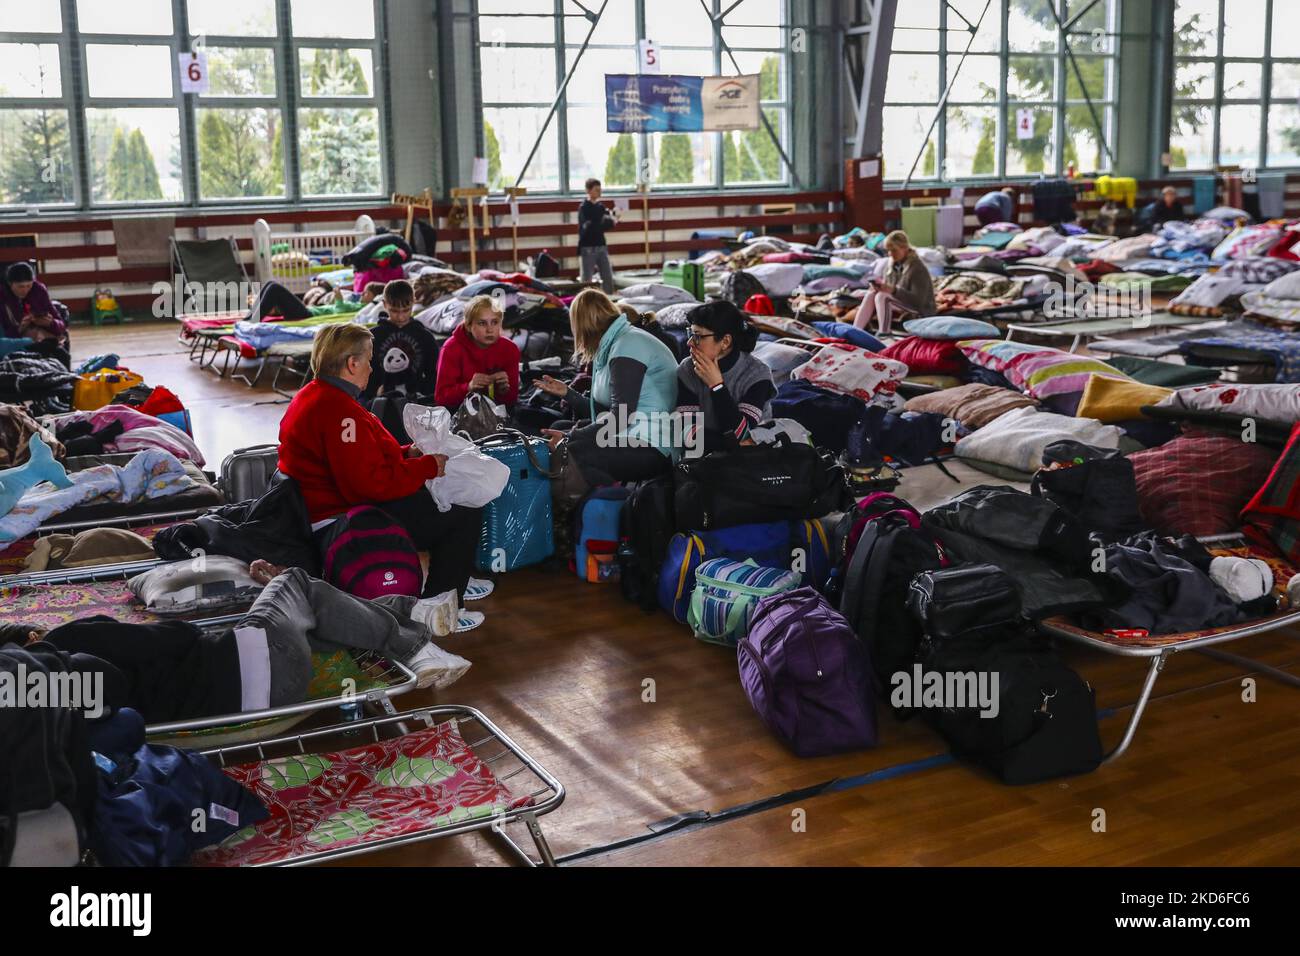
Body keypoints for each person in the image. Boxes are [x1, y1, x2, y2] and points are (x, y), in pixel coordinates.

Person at [1, 563, 468, 722]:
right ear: (33, 635)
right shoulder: (67, 642)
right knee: (297, 584)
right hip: (252, 661)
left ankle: (407, 612)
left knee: (314, 616)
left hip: (250, 698)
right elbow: (175, 634)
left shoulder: (45, 701)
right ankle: (413, 642)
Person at [276, 324, 492, 627]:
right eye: (368, 359)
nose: (371, 367)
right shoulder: (340, 411)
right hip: (345, 516)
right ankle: (443, 602)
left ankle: (454, 576)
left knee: (442, 500)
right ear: (352, 364)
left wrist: (406, 454)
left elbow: (358, 459)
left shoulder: (313, 395)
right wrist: (428, 466)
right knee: (463, 509)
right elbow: (368, 484)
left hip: (327, 506)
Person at [536, 289, 678, 486]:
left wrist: (571, 436)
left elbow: (621, 417)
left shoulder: (628, 346)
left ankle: (612, 506)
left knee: (571, 452)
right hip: (633, 433)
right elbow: (606, 412)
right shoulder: (615, 344)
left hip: (654, 444)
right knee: (558, 429)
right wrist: (568, 394)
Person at [674, 300, 776, 456]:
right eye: (690, 333)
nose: (689, 343)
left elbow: (741, 433)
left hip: (754, 461)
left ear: (725, 341)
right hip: (704, 459)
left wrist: (717, 386)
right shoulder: (687, 369)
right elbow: (687, 434)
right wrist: (731, 444)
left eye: (698, 336)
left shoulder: (756, 375)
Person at [433, 294, 521, 409]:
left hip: (497, 415)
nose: (490, 330)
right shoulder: (451, 348)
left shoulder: (510, 349)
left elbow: (511, 400)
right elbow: (441, 398)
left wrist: (503, 391)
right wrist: (468, 387)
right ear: (468, 326)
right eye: (482, 323)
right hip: (458, 414)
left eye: (495, 322)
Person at [363, 280, 440, 400]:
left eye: (406, 310)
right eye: (394, 310)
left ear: (414, 302)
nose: (400, 316)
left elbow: (434, 373)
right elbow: (363, 372)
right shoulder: (372, 337)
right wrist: (374, 390)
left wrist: (423, 391)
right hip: (380, 400)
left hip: (417, 399)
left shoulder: (425, 336)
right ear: (384, 304)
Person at [853, 230, 936, 336]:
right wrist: (879, 287)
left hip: (920, 309)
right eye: (888, 250)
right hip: (901, 303)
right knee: (871, 294)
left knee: (882, 297)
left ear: (904, 248)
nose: (891, 254)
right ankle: (856, 330)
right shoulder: (891, 265)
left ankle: (884, 332)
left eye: (894, 250)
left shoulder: (917, 268)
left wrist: (893, 290)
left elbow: (918, 301)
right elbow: (888, 287)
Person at [2, 262, 65, 343]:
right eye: (20, 287)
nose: (25, 290)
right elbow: (3, 335)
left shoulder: (38, 290)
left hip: (40, 333)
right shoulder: (3, 297)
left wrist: (51, 324)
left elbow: (61, 324)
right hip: (16, 338)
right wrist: (20, 328)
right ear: (10, 284)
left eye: (29, 286)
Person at [578, 177, 617, 294]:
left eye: (600, 189)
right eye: (596, 190)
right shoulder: (584, 207)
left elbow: (607, 224)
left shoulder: (600, 207)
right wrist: (603, 219)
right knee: (586, 280)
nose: (599, 192)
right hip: (588, 247)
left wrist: (614, 219)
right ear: (588, 191)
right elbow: (591, 225)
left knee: (607, 276)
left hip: (601, 245)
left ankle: (609, 301)